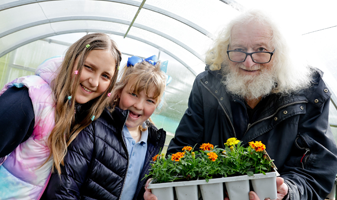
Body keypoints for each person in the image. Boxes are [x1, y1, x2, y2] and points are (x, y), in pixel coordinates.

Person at [144, 9, 337, 200]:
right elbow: (183, 148)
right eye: (238, 49)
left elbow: (317, 171)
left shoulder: (309, 92)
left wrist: (289, 192)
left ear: (280, 53)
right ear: (225, 50)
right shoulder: (207, 85)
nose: (248, 61)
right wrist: (161, 182)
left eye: (261, 50)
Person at [0, 33, 122, 199]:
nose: (94, 82)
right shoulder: (26, 100)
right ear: (72, 60)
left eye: (105, 76)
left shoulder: (77, 113)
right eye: (89, 67)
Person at [42, 55, 167, 200]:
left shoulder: (152, 142)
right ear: (119, 91)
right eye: (133, 94)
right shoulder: (94, 127)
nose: (138, 106)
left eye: (150, 100)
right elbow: (64, 188)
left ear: (157, 105)